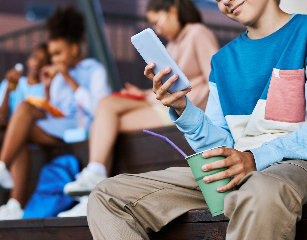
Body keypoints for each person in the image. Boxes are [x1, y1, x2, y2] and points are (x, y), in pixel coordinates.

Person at [87, 0, 307, 239]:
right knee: (107, 196)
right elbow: (220, 145)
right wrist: (183, 109)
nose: (225, 0)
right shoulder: (222, 61)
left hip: (302, 166)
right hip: (238, 170)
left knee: (260, 190)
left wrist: (255, 159)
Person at [60, 0, 219, 217]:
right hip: (164, 101)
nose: (157, 29)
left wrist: (189, 104)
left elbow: (215, 77)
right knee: (109, 116)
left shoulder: (197, 32)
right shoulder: (173, 44)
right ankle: (92, 186)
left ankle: (94, 177)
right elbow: (171, 82)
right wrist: (143, 92)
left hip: (183, 107)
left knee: (108, 111)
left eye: (157, 22)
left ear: (172, 11)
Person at [0, 6, 111, 220]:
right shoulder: (58, 77)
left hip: (84, 128)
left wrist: (70, 80)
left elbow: (99, 109)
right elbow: (54, 111)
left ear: (75, 49)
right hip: (60, 126)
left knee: (22, 116)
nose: (55, 59)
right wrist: (48, 88)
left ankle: (2, 167)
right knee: (21, 117)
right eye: (52, 55)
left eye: (58, 53)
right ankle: (14, 204)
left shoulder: (94, 69)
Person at [0, 43, 49, 127]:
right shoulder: (13, 82)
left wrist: (47, 88)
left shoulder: (46, 87)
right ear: (28, 60)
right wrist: (8, 88)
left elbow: (47, 117)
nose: (37, 63)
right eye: (35, 57)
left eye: (43, 60)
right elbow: (2, 115)